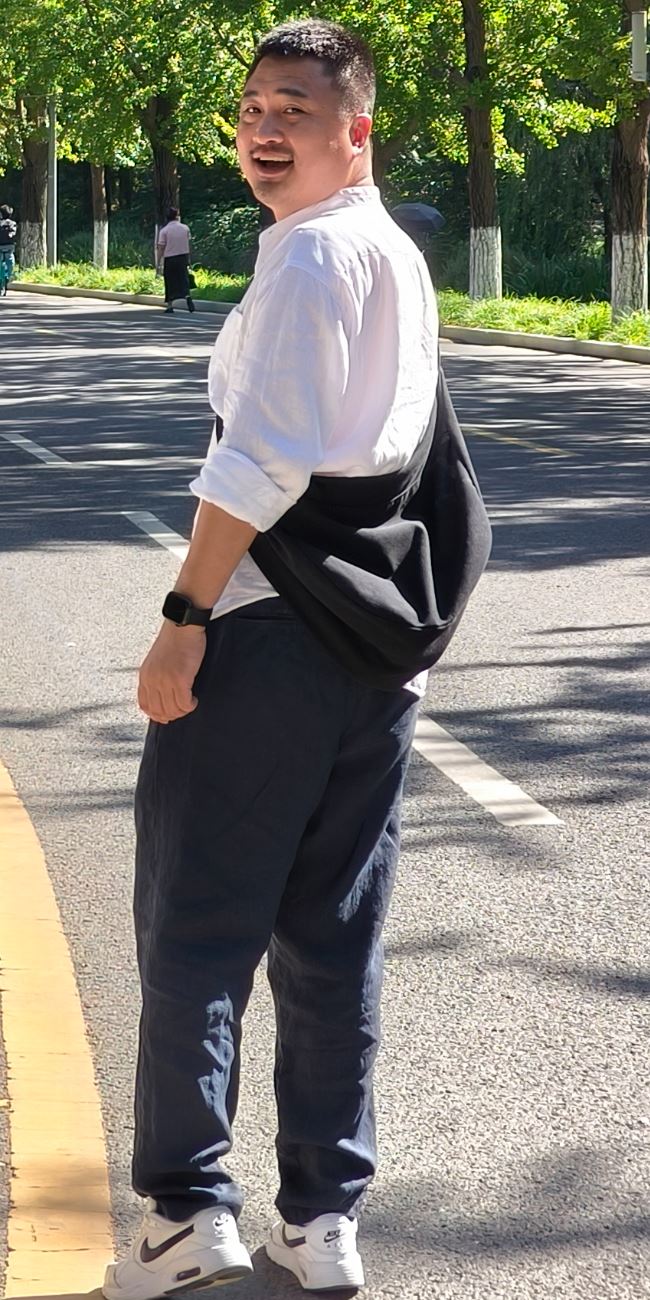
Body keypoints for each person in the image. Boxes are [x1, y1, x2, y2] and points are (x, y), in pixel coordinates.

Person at [103, 19, 490, 1300]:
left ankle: (184, 1214)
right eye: (252, 108)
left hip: (267, 636)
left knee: (198, 927)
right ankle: (322, 1220)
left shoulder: (310, 256)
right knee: (332, 938)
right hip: (372, 655)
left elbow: (258, 462)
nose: (264, 129)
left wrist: (184, 616)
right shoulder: (393, 254)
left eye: (295, 110)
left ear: (354, 131)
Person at [156, 207, 194, 313]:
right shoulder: (185, 228)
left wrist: (158, 262)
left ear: (167, 217)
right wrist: (189, 259)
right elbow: (188, 243)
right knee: (183, 279)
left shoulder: (164, 231)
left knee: (170, 281)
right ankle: (187, 296)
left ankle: (170, 305)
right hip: (183, 257)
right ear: (177, 216)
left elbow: (161, 247)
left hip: (170, 258)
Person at [0, 204, 17, 290]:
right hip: (9, 246)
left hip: (0, 246)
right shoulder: (12, 223)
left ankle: (1, 278)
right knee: (10, 260)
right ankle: (9, 275)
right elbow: (13, 233)